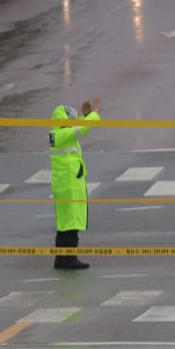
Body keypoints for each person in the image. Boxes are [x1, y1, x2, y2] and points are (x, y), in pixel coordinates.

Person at [48, 98, 101, 270]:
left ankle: (62, 259)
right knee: (70, 223)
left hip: (66, 183)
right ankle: (68, 259)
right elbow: (83, 128)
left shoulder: (59, 133)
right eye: (69, 117)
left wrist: (85, 116)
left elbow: (78, 127)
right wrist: (93, 115)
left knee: (66, 224)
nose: (72, 120)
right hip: (69, 184)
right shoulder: (61, 134)